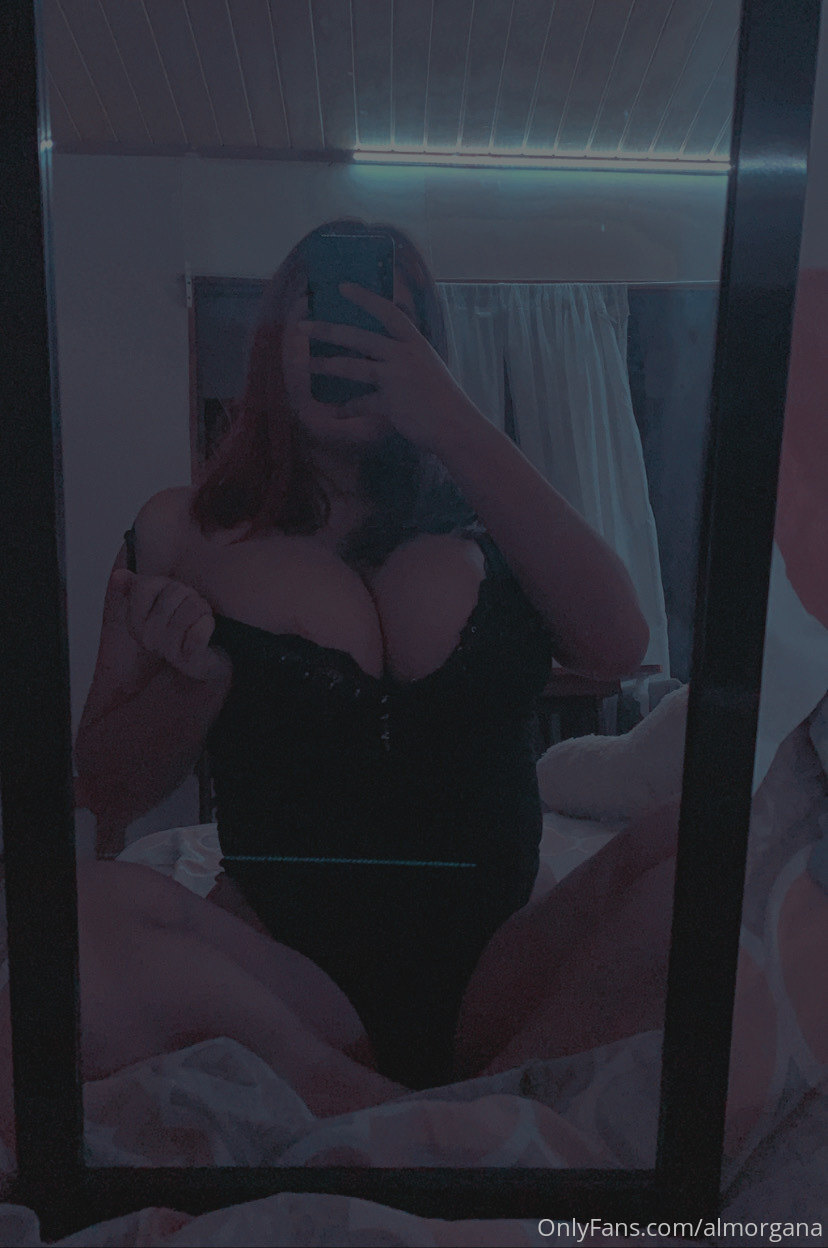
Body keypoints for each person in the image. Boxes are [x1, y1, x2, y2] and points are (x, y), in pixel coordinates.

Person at [73, 219, 649, 1088]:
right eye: (323, 313)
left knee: (697, 844)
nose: (350, 340)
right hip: (287, 985)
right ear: (274, 342)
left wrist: (454, 423)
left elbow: (617, 646)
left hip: (500, 974)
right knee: (83, 905)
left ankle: (420, 1104)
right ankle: (386, 1106)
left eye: (387, 319)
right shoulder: (179, 529)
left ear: (427, 350)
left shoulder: (493, 510)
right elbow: (105, 793)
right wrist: (193, 684)